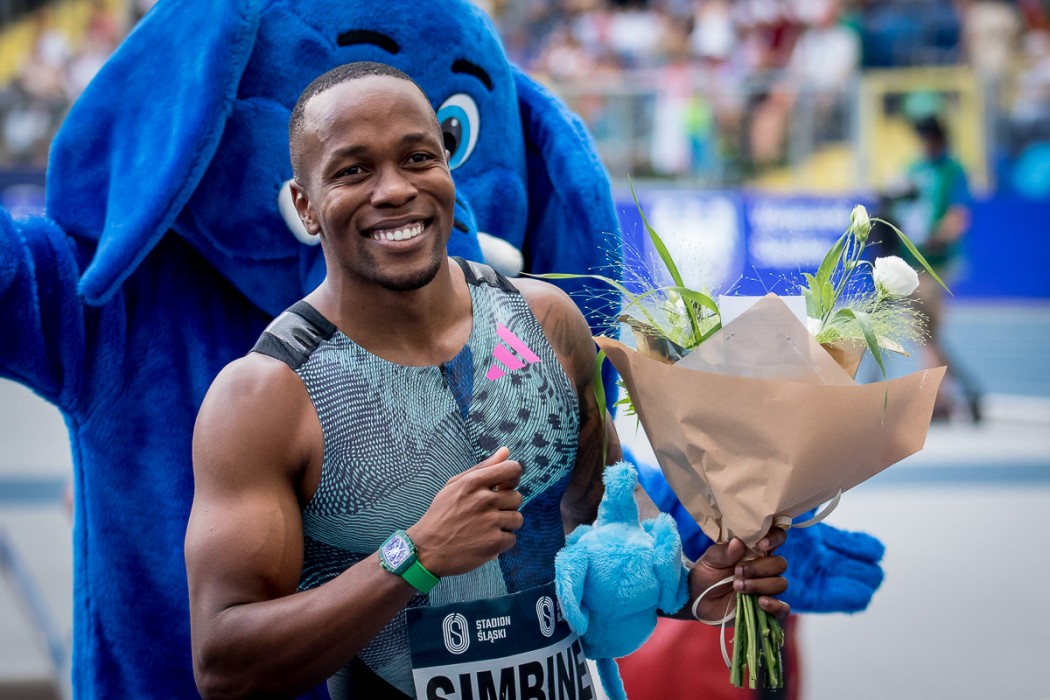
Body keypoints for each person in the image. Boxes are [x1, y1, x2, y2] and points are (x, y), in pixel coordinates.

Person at [184, 61, 789, 699]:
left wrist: (695, 586)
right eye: (353, 170)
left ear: (447, 166)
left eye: (418, 158)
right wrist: (414, 557)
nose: (394, 190)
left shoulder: (546, 320)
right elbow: (224, 664)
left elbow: (604, 518)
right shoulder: (266, 396)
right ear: (306, 206)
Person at [892, 113, 982, 421]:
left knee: (926, 333)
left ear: (940, 138)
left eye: (929, 137)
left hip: (936, 265)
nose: (925, 143)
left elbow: (959, 217)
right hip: (910, 261)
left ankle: (941, 399)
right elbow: (899, 204)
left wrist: (938, 237)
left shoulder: (953, 171)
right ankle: (951, 395)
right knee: (926, 335)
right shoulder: (913, 169)